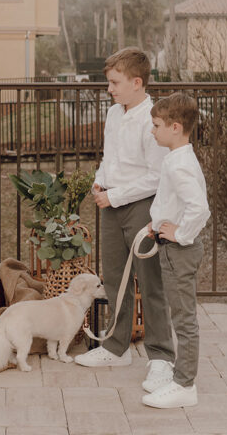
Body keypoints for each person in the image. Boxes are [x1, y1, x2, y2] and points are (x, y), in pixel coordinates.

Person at [75, 48, 175, 394]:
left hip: (142, 206)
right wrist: (100, 180)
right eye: (108, 82)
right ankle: (116, 348)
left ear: (137, 82)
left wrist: (115, 196)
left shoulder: (153, 119)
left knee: (150, 282)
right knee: (115, 277)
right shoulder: (115, 114)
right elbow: (109, 157)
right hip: (112, 201)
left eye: (115, 83)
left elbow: (156, 176)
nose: (109, 89)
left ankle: (161, 358)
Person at [142, 93, 210, 409]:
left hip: (178, 250)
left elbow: (199, 208)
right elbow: (174, 203)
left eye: (156, 125)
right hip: (170, 244)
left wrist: (180, 234)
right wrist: (156, 225)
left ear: (175, 127)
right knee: (180, 314)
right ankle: (181, 380)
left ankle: (185, 385)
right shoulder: (177, 158)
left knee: (184, 319)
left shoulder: (179, 164)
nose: (152, 131)